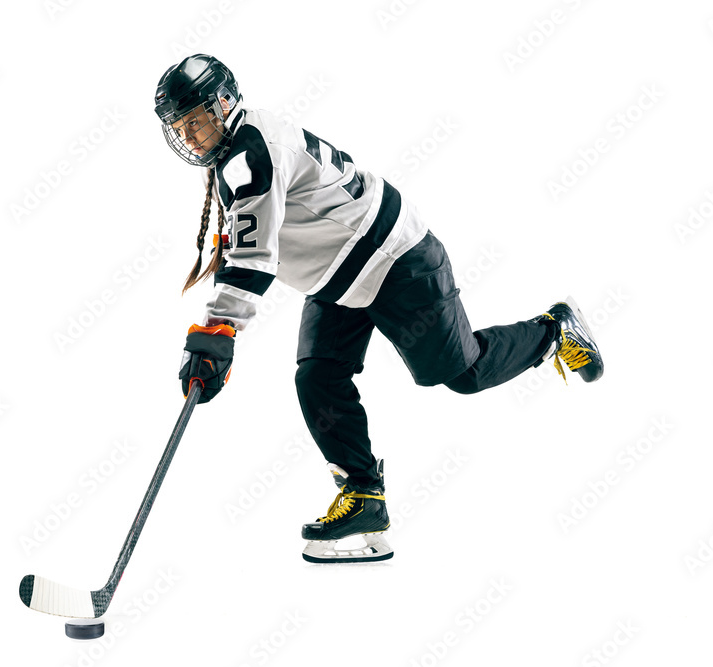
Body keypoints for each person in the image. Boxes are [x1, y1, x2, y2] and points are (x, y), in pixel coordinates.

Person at [155, 54, 604, 563]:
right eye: (178, 126)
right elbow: (247, 246)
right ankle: (364, 497)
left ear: (223, 103)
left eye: (194, 120)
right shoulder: (241, 150)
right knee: (318, 376)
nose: (188, 135)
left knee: (465, 373)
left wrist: (217, 333)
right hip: (341, 274)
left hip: (395, 259)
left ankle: (554, 331)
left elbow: (254, 259)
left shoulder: (251, 154)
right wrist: (217, 329)